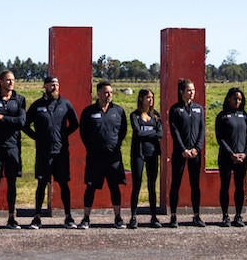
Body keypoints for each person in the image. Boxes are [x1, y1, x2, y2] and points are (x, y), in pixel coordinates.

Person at [23, 75, 80, 229]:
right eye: (51, 84)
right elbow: (25, 124)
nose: (54, 87)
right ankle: (36, 217)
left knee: (63, 184)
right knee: (41, 184)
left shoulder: (65, 104)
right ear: (45, 87)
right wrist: (37, 137)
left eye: (56, 84)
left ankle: (68, 217)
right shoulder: (37, 105)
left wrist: (63, 136)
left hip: (61, 152)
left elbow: (75, 124)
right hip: (43, 153)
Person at [78, 81, 128, 229]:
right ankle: (86, 218)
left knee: (114, 187)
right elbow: (83, 132)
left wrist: (115, 145)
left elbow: (123, 131)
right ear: (98, 93)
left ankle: (118, 218)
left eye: (111, 93)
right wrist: (91, 148)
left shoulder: (118, 111)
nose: (109, 95)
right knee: (91, 187)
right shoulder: (89, 111)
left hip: (113, 158)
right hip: (95, 158)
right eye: (106, 92)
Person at [0, 70, 27, 229]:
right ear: (1, 81)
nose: (11, 83)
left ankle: (11, 218)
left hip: (13, 147)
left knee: (12, 182)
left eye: (13, 80)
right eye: (8, 80)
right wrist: (10, 121)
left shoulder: (20, 99)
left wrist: (2, 118)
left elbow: (21, 122)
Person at [168, 78, 206, 227]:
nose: (192, 93)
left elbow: (202, 130)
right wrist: (183, 149)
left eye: (193, 90)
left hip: (195, 153)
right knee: (175, 184)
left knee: (195, 184)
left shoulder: (199, 109)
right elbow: (174, 131)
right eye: (189, 90)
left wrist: (197, 148)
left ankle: (196, 215)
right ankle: (173, 216)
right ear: (182, 92)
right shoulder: (175, 109)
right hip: (180, 153)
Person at [215, 87, 247, 227]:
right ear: (228, 98)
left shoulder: (246, 116)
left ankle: (238, 215)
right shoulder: (222, 116)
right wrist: (231, 154)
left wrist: (245, 153)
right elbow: (220, 138)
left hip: (242, 158)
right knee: (225, 186)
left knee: (239, 187)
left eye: (240, 99)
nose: (238, 101)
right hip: (226, 157)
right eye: (235, 98)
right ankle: (225, 216)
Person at [129, 89, 162, 229]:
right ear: (141, 99)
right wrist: (152, 133)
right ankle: (133, 216)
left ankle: (154, 216)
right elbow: (138, 133)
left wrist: (149, 133)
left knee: (152, 185)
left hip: (152, 153)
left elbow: (160, 133)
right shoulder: (134, 115)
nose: (150, 100)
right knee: (136, 184)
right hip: (138, 153)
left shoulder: (156, 116)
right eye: (148, 97)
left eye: (152, 98)